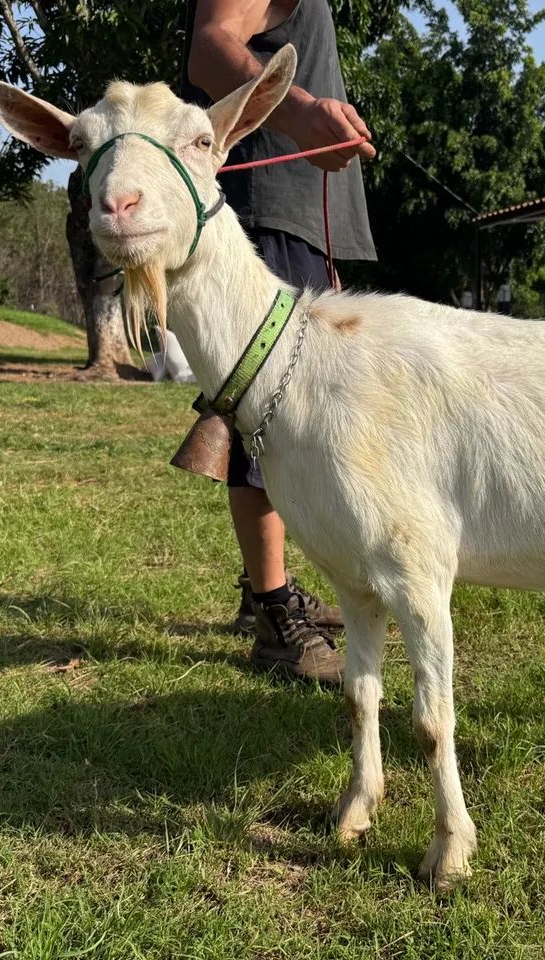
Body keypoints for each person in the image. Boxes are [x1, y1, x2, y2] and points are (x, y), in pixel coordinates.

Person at [181, 0, 378, 685]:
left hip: (296, 217)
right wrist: (297, 114)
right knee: (269, 420)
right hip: (270, 213)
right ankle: (274, 623)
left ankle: (264, 590)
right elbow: (209, 49)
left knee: (278, 417)